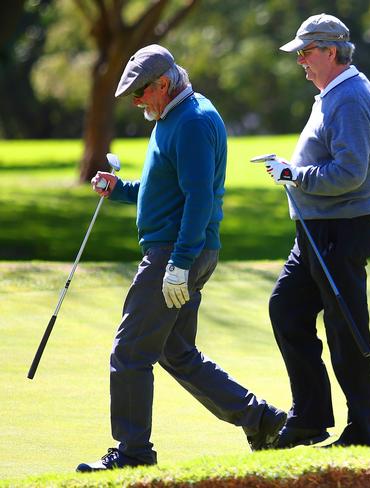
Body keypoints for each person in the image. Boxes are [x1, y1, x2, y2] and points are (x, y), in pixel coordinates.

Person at [76, 44, 285, 472]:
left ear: (164, 84)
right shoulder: (172, 116)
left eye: (140, 94)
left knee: (130, 351)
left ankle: (133, 452)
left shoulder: (191, 121)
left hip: (176, 251)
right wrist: (118, 189)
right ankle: (259, 419)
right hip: (179, 247)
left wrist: (179, 263)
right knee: (177, 352)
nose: (136, 103)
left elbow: (199, 200)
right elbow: (163, 194)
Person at [259, 13, 370, 448]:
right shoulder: (333, 93)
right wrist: (293, 171)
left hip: (342, 229)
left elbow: (350, 173)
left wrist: (296, 175)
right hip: (317, 231)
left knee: (345, 329)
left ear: (331, 51)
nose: (301, 61)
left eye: (306, 52)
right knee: (287, 311)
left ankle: (364, 431)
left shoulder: (349, 97)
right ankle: (310, 416)